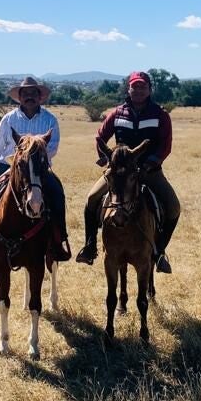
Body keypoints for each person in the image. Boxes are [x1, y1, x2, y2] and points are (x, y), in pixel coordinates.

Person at [0, 76, 71, 261]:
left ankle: (59, 241)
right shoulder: (9, 119)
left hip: (39, 167)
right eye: (25, 94)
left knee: (57, 193)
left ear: (40, 97)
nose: (29, 97)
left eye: (33, 93)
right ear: (20, 97)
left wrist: (31, 160)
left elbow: (52, 147)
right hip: (7, 165)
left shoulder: (50, 120)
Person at [75, 70, 180, 273]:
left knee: (173, 207)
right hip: (118, 173)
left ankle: (159, 253)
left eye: (143, 86)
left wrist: (151, 162)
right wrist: (106, 158)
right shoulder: (117, 113)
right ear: (128, 89)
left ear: (150, 90)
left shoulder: (160, 114)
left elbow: (165, 145)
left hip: (149, 171)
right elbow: (100, 137)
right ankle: (90, 246)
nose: (138, 90)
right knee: (91, 199)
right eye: (135, 86)